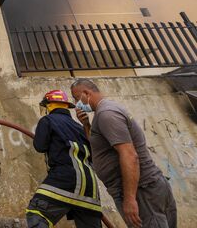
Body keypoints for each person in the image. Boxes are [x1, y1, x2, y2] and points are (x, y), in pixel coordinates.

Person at [70, 78, 177, 228]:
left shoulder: (107, 114)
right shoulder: (104, 112)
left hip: (141, 191)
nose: (76, 104)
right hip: (143, 188)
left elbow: (129, 155)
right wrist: (86, 125)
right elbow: (99, 147)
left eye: (76, 98)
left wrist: (130, 199)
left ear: (87, 93)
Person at [26, 90, 102, 228]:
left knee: (37, 213)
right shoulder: (80, 127)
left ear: (48, 105)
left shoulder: (47, 120)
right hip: (90, 186)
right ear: (66, 106)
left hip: (64, 178)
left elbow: (40, 146)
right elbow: (93, 152)